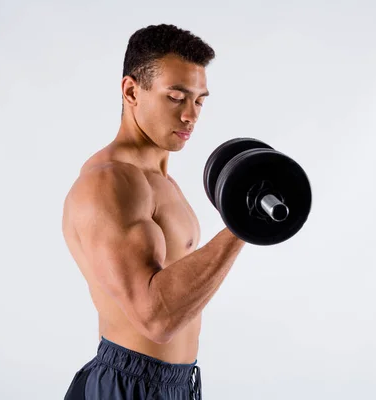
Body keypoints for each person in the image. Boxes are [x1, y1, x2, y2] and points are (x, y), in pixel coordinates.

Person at [62, 24, 245, 400]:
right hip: (127, 386)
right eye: (175, 97)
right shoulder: (109, 182)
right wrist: (241, 227)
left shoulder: (162, 181)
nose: (190, 115)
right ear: (131, 91)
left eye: (199, 100)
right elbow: (155, 318)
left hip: (178, 384)